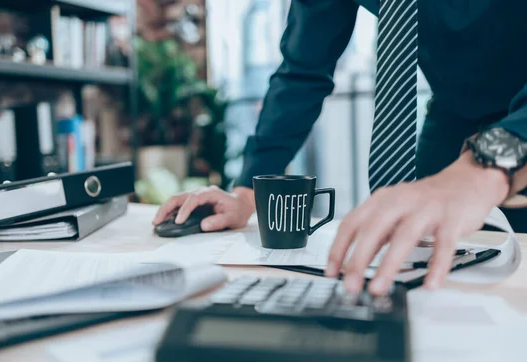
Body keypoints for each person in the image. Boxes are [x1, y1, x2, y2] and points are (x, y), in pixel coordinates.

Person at [154, 1, 527, 295]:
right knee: (425, 278)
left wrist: (490, 164)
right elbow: (302, 71)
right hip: (453, 118)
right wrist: (248, 191)